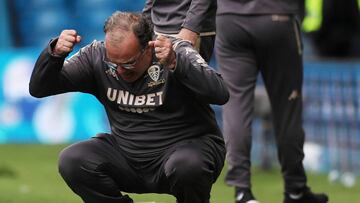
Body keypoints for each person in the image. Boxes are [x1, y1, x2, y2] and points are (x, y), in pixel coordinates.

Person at [29, 11, 229, 203]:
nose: (120, 71)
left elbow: (220, 94)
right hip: (129, 155)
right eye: (113, 64)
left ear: (148, 47)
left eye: (129, 63)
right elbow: (39, 88)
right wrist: (53, 55)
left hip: (187, 150)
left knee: (187, 166)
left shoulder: (173, 50)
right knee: (73, 159)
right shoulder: (96, 56)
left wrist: (177, 63)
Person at [214, 1, 329, 203]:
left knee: (235, 107)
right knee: (287, 110)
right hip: (277, 15)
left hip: (230, 19)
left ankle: (242, 191)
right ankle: (295, 189)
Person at [142, 0, 216, 62]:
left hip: (188, 32)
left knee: (191, 78)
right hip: (157, 29)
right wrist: (145, 21)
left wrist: (190, 28)